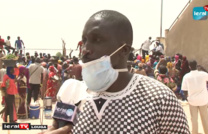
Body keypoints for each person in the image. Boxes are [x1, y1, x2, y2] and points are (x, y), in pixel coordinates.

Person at [45, 10, 189, 134]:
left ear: (124, 50)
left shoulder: (160, 99)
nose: (85, 49)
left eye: (97, 39)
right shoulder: (70, 92)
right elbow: (57, 127)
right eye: (85, 40)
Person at [182, 60, 208, 134]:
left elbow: (184, 90)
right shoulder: (202, 74)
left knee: (194, 120)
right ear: (197, 65)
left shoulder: (186, 76)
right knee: (205, 119)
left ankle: (194, 132)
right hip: (203, 100)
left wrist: (187, 98)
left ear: (189, 66)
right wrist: (203, 69)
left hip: (192, 101)